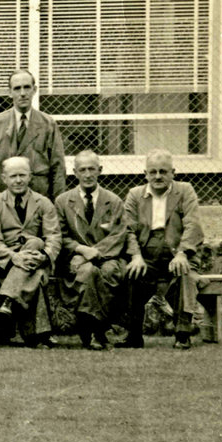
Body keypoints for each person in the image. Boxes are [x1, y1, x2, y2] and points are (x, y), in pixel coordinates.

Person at [119, 150, 204, 349]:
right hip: (146, 253)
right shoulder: (135, 195)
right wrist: (136, 256)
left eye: (163, 171)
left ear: (173, 172)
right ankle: (133, 336)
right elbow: (127, 229)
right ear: (145, 174)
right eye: (153, 172)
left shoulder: (185, 191)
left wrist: (183, 253)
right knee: (130, 274)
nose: (158, 176)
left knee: (185, 276)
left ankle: (182, 334)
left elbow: (194, 225)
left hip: (177, 251)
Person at [0, 156, 63, 345]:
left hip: (37, 259)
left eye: (22, 175)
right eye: (13, 176)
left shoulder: (43, 203)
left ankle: (8, 301)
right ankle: (39, 334)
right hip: (3, 261)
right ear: (4, 178)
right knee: (33, 271)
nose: (18, 180)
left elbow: (54, 236)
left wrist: (45, 255)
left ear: (30, 177)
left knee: (34, 246)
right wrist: (14, 256)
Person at [57, 150, 127, 350]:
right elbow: (59, 235)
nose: (87, 174)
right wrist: (80, 249)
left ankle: (92, 329)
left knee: (107, 271)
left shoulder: (113, 201)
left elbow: (118, 234)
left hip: (108, 258)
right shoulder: (63, 201)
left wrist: (93, 253)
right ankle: (96, 332)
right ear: (75, 172)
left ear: (100, 170)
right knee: (88, 272)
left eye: (92, 169)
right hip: (75, 258)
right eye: (82, 170)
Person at [0, 71, 67, 200]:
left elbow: (58, 168)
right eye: (17, 88)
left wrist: (58, 203)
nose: (22, 93)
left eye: (27, 87)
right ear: (10, 92)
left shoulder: (48, 124)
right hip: (4, 200)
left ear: (34, 90)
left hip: (39, 198)